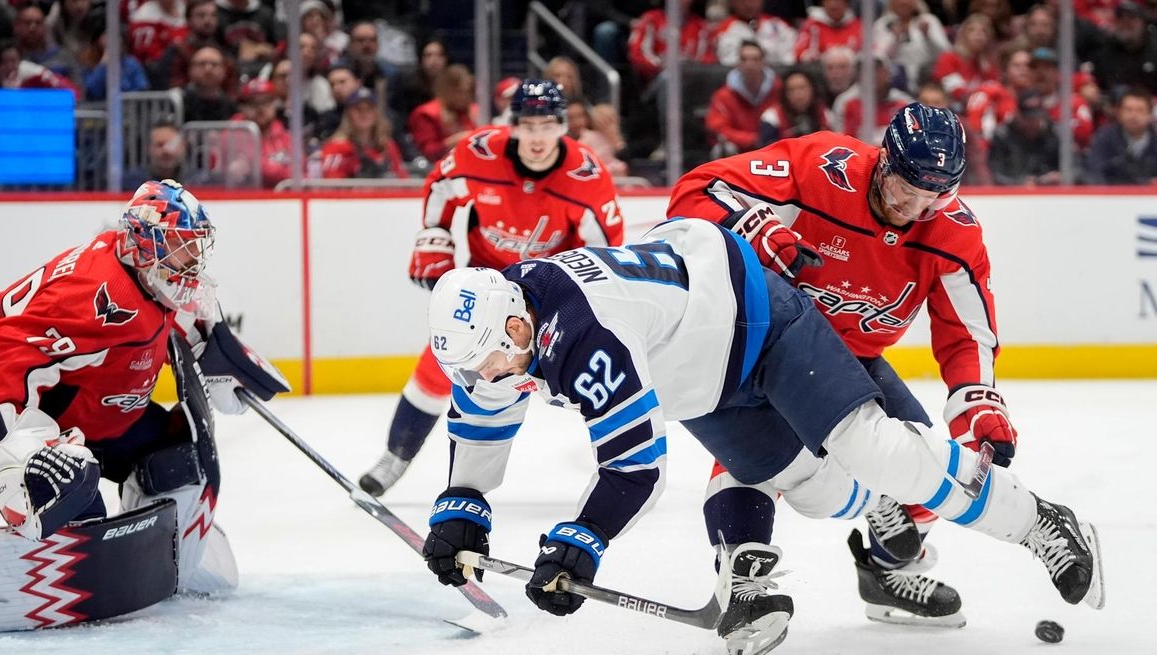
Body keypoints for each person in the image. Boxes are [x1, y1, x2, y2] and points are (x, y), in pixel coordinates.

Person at [419, 217, 1103, 655]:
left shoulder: (582, 331)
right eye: (473, 368)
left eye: (490, 361)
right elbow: (482, 411)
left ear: (516, 327)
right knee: (813, 489)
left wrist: (580, 541)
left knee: (875, 448)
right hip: (700, 373)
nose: (488, 376)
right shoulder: (502, 322)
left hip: (754, 318)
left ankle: (1038, 520)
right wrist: (463, 505)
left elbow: (634, 467)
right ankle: (877, 505)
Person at [664, 103, 1030, 634]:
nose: (917, 206)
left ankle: (881, 572)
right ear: (884, 160)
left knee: (927, 466)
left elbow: (966, 329)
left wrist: (977, 399)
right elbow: (695, 193)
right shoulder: (818, 166)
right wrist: (755, 224)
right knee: (756, 459)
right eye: (909, 187)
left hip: (852, 358)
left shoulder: (953, 230)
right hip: (763, 344)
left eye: (936, 195)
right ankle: (742, 586)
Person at [0, 180, 288, 639]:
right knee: (66, 491)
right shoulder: (95, 294)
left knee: (181, 458)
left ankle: (166, 551)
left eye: (192, 249)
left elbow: (175, 315)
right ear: (144, 244)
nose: (190, 263)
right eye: (178, 248)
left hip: (93, 414)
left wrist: (216, 351)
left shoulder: (145, 272)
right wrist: (16, 445)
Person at [357, 80, 625, 497]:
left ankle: (624, 465)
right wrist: (435, 234)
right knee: (441, 361)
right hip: (488, 283)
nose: (537, 137)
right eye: (528, 124)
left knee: (595, 371)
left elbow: (604, 251)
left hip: (552, 293)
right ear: (513, 125)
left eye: (548, 125)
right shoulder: (478, 152)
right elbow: (441, 187)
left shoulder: (586, 176)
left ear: (564, 127)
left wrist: (586, 307)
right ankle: (395, 457)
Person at [320, 87, 407, 179]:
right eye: (358, 109)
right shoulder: (336, 147)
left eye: (369, 108)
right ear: (348, 114)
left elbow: (402, 179)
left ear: (376, 113)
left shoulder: (387, 145)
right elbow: (331, 185)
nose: (364, 113)